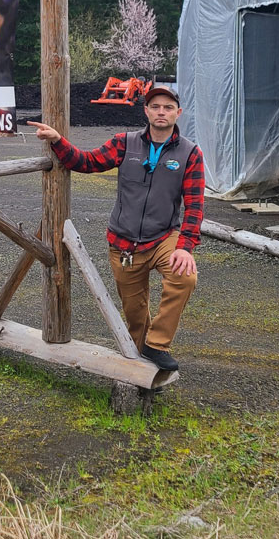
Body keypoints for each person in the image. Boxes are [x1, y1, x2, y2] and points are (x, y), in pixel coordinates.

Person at [28, 86, 204, 371]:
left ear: (178, 113)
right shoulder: (125, 143)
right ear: (146, 111)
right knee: (135, 315)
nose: (161, 112)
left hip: (163, 238)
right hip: (123, 244)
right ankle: (143, 369)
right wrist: (59, 141)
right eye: (155, 107)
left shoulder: (190, 153)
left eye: (168, 107)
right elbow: (86, 162)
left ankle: (157, 344)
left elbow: (195, 206)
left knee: (185, 277)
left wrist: (185, 247)